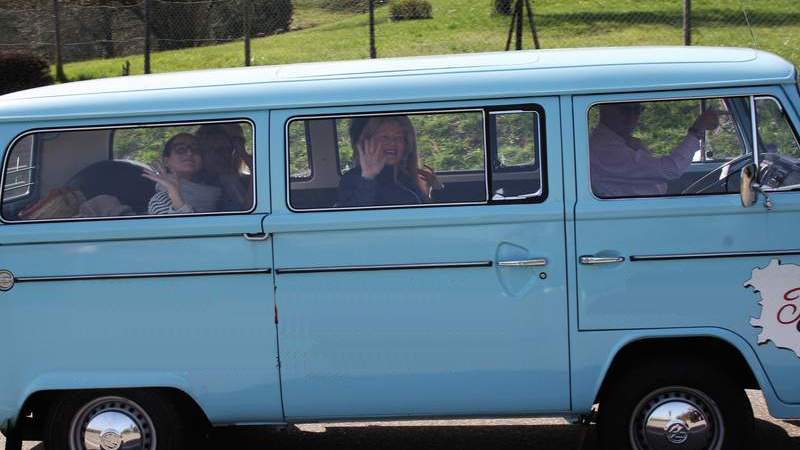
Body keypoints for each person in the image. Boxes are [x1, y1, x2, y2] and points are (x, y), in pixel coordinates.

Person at [590, 102, 719, 197]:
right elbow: (670, 169)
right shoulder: (606, 149)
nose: (633, 116)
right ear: (606, 109)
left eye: (637, 109)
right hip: (637, 217)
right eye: (625, 110)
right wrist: (696, 131)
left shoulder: (621, 142)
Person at [336, 115, 442, 207]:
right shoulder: (353, 179)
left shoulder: (405, 177)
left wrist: (435, 187)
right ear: (368, 143)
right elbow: (352, 219)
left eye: (398, 138)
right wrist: (368, 177)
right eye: (385, 137)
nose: (392, 143)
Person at [143, 132, 221, 214]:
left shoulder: (214, 191)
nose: (189, 153)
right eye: (180, 149)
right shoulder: (160, 200)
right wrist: (174, 193)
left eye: (196, 149)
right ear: (166, 161)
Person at [196, 123, 253, 211]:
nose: (224, 156)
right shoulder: (201, 185)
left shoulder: (235, 180)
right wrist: (251, 165)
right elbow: (245, 213)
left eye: (228, 150)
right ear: (202, 152)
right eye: (217, 150)